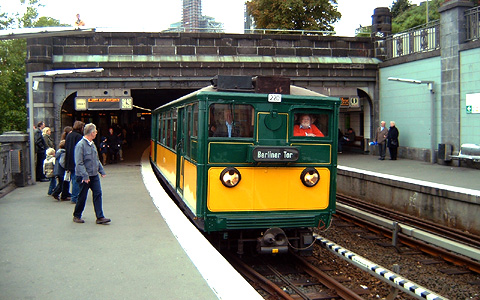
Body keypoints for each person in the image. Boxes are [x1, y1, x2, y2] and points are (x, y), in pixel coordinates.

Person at [72, 123, 110, 224]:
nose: (96, 133)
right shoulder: (80, 145)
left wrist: (101, 171)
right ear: (92, 133)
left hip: (94, 175)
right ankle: (77, 215)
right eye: (95, 131)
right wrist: (85, 175)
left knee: (98, 193)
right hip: (84, 176)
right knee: (82, 196)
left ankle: (100, 216)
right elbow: (79, 163)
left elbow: (96, 159)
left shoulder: (92, 144)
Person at [64, 121, 85, 204]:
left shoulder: (69, 135)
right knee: (76, 179)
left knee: (73, 178)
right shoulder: (79, 137)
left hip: (69, 159)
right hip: (76, 160)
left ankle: (74, 195)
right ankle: (75, 197)